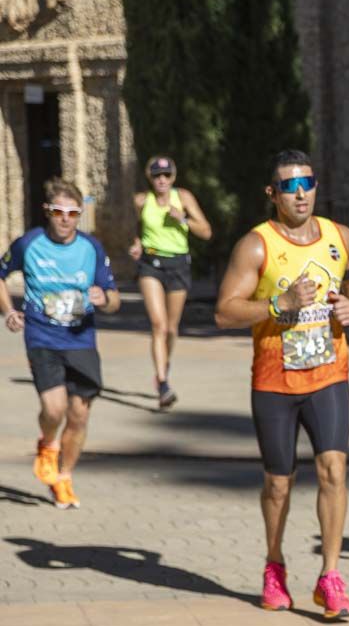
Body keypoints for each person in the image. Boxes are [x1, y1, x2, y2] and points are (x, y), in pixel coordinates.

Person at [214, 150, 349, 619]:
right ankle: (274, 564)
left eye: (307, 182)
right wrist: (278, 304)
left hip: (329, 376)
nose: (300, 192)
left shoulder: (338, 236)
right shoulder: (256, 246)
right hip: (274, 383)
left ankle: (330, 576)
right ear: (272, 193)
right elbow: (224, 311)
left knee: (333, 471)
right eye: (288, 185)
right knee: (279, 485)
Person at [0, 177, 121, 508]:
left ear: (80, 214)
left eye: (72, 213)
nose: (65, 219)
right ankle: (48, 443)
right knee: (54, 408)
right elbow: (1, 274)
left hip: (81, 340)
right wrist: (9, 310)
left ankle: (64, 478)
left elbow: (114, 300)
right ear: (47, 212)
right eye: (58, 211)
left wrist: (103, 298)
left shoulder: (91, 248)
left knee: (79, 415)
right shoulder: (29, 244)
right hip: (42, 336)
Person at [129, 156, 213, 409]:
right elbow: (136, 227)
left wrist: (183, 219)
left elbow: (206, 231)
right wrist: (135, 243)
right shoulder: (141, 201)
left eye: (166, 175)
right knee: (158, 324)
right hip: (150, 263)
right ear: (150, 178)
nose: (161, 180)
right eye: (157, 176)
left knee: (171, 328)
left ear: (173, 177)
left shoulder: (183, 198)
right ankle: (163, 384)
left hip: (177, 265)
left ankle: (164, 363)